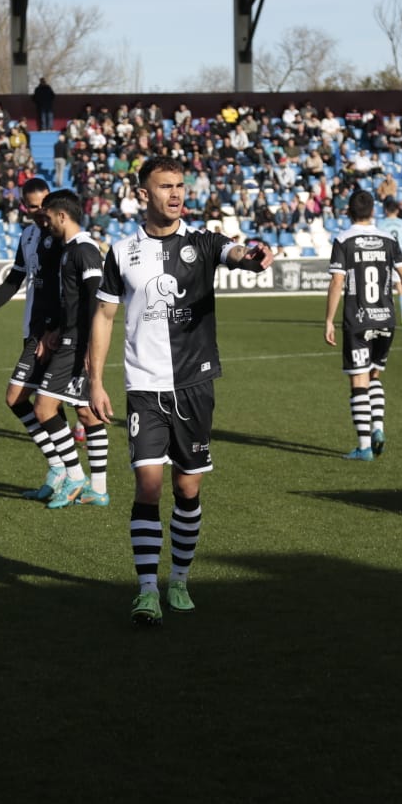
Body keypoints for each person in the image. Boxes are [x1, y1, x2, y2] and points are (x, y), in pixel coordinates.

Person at [88, 155, 274, 626]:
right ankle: (147, 589)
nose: (175, 194)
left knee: (187, 488)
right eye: (165, 186)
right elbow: (104, 315)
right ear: (142, 194)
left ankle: (180, 580)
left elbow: (238, 255)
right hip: (144, 388)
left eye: (180, 186)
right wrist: (94, 380)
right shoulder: (122, 251)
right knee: (148, 485)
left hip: (194, 383)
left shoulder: (204, 241)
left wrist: (252, 256)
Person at [0, 178, 74, 498]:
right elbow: (15, 279)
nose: (37, 213)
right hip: (34, 329)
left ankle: (72, 474)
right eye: (31, 207)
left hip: (53, 332)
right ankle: (61, 471)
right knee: (42, 405)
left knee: (23, 399)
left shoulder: (61, 235)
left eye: (42, 207)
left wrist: (53, 328)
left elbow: (63, 288)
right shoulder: (28, 235)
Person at [324, 191, 402, 461]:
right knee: (375, 374)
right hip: (386, 319)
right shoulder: (389, 239)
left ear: (349, 212)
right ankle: (378, 427)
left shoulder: (343, 240)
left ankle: (364, 447)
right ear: (373, 211)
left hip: (358, 320)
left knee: (358, 380)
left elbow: (337, 283)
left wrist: (329, 320)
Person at [34, 188, 110, 508]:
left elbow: (97, 301)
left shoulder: (84, 249)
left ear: (62, 215)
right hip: (70, 338)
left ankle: (75, 477)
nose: (46, 222)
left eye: (48, 216)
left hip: (78, 343)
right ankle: (99, 489)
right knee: (85, 413)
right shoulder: (70, 250)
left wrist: (91, 351)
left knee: (43, 408)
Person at [377, 198, 402, 325]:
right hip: (399, 259)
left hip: (384, 258)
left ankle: (386, 313)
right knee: (401, 287)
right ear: (397, 210)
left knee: (384, 287)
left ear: (386, 210)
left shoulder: (381, 223)